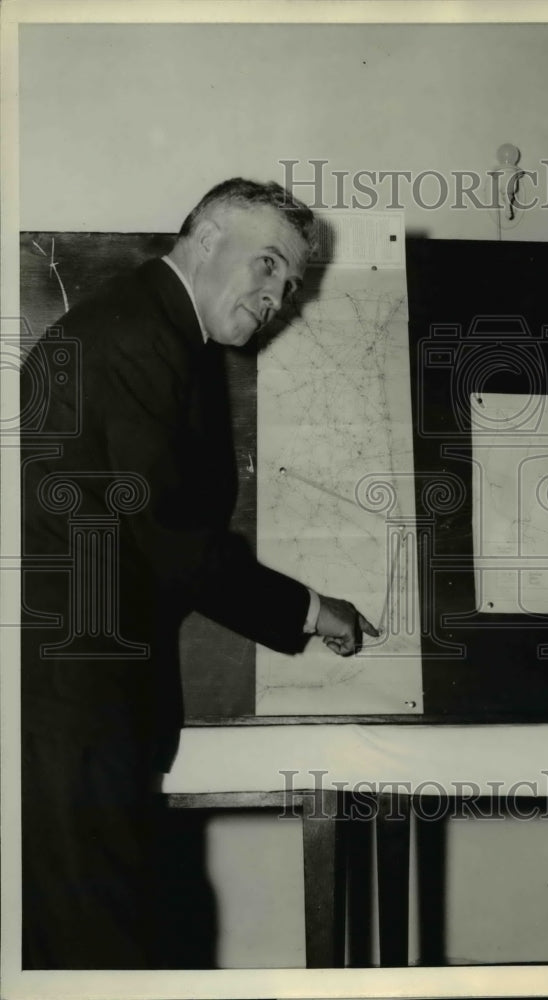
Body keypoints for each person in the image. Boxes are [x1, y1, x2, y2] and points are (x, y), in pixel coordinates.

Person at [20, 178, 379, 968]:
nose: (277, 296)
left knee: (85, 942)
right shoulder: (139, 338)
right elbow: (171, 536)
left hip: (81, 702)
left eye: (289, 285)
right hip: (77, 707)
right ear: (207, 238)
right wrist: (313, 609)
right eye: (267, 266)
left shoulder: (156, 331)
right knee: (98, 953)